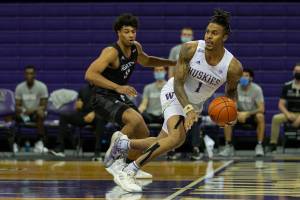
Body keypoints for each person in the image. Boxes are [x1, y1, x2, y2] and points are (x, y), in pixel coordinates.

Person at [104, 9, 243, 192]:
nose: (209, 36)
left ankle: (123, 144)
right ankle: (128, 171)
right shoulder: (191, 49)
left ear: (224, 37)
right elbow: (178, 82)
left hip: (194, 104)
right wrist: (187, 108)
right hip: (175, 93)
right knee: (177, 136)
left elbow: (231, 92)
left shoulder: (233, 67)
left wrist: (231, 111)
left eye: (215, 33)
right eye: (207, 31)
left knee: (170, 142)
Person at [85, 13, 176, 179]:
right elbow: (90, 75)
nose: (131, 35)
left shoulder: (135, 48)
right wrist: (118, 87)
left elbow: (147, 61)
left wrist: (172, 63)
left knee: (143, 132)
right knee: (133, 120)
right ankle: (115, 161)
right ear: (118, 32)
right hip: (101, 95)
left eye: (133, 31)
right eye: (126, 31)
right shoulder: (111, 51)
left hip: (116, 95)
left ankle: (128, 168)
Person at [49, 84, 106, 160]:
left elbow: (106, 107)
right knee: (64, 116)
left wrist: (94, 113)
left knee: (100, 119)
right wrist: (78, 106)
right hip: (84, 115)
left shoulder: (103, 89)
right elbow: (79, 104)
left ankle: (97, 153)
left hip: (97, 115)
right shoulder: (83, 89)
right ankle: (60, 148)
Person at [219, 69, 265, 157]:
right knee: (228, 117)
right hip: (239, 114)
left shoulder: (257, 89)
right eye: (242, 76)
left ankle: (259, 145)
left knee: (260, 116)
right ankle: (228, 145)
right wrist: (238, 113)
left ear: (251, 78)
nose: (243, 78)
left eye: (246, 76)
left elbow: (261, 108)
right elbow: (232, 106)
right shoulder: (235, 88)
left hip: (252, 115)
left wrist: (247, 114)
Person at [15, 65, 49, 153]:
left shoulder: (42, 86)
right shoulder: (19, 87)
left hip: (35, 113)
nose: (29, 75)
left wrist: (33, 110)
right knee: (10, 114)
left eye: (31, 73)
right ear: (24, 75)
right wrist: (24, 110)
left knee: (41, 113)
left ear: (34, 75)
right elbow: (17, 105)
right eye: (27, 73)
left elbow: (44, 105)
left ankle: (39, 141)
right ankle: (14, 142)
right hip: (24, 114)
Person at [268, 63, 300, 152]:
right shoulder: (287, 86)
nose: (298, 73)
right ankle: (273, 144)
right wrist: (288, 114)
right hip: (290, 113)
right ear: (293, 72)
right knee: (276, 118)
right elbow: (281, 104)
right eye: (296, 71)